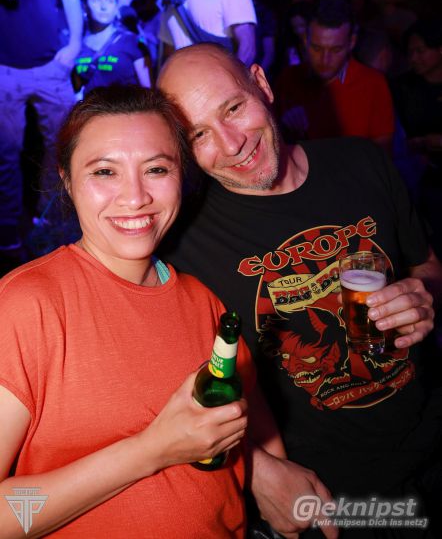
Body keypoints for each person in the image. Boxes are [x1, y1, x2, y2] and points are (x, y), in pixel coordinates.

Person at [158, 43, 442, 538]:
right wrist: (255, 467)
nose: (232, 145)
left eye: (233, 108)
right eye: (199, 134)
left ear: (262, 85)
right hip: (337, 497)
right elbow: (166, 392)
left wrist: (425, 293)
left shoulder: (363, 162)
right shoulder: (184, 243)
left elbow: (427, 263)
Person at [0, 85, 300, 538]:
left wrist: (271, 476)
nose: (135, 196)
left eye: (156, 169)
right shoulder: (28, 304)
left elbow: (249, 426)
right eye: (105, 172)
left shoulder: (206, 303)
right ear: (67, 180)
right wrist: (150, 451)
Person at [0, 0, 83, 252]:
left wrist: (74, 46)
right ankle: (7, 233)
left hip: (52, 65)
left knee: (64, 145)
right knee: (5, 153)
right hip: (4, 70)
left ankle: (55, 222)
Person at [275, 0, 395, 151]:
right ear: (305, 40)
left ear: (351, 43)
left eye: (336, 50)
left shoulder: (373, 84)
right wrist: (283, 129)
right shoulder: (288, 79)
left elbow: (382, 153)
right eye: (317, 48)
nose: (325, 59)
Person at [391, 19, 442, 259]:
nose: (414, 58)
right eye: (410, 52)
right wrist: (422, 143)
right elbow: (397, 137)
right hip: (420, 174)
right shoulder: (403, 87)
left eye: (420, 51)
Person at [72, 0, 151, 94]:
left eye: (109, 1)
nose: (103, 6)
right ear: (85, 7)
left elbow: (148, 91)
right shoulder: (77, 46)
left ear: (116, 7)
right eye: (96, 0)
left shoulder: (132, 42)